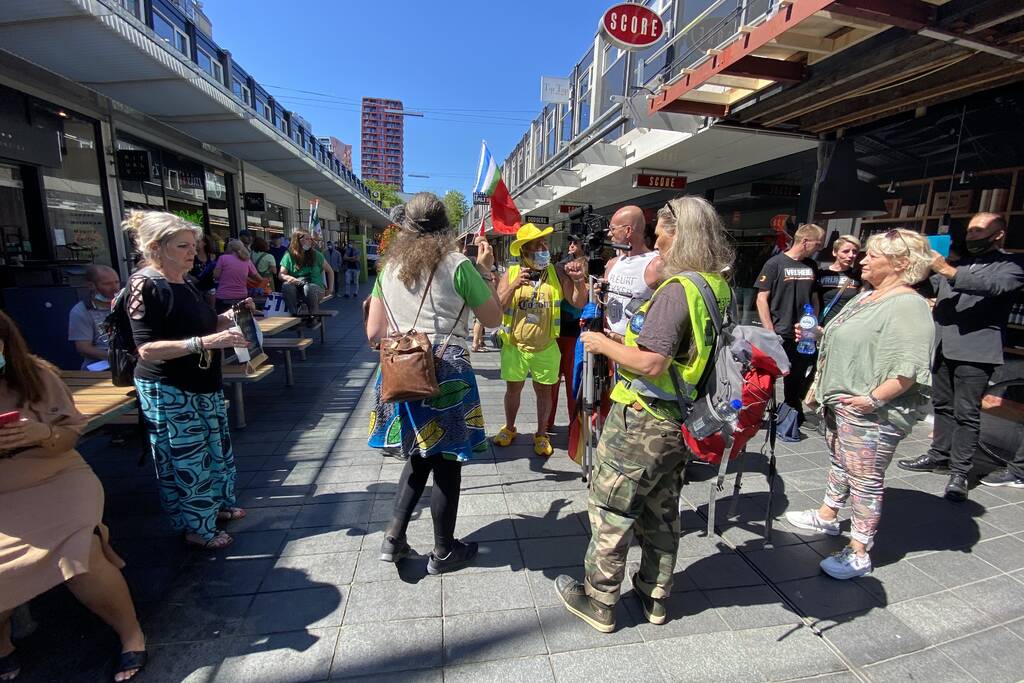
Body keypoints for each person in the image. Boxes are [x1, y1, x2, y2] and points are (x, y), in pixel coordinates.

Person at [554, 196, 734, 632]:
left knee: (611, 508)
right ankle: (655, 596)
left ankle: (599, 601)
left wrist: (601, 345)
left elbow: (652, 362)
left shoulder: (677, 290)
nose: (656, 240)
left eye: (662, 232)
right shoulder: (718, 285)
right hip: (679, 420)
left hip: (642, 417)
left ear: (682, 234)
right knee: (662, 511)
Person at [0, 311, 147, 682]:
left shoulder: (36, 375)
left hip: (57, 477)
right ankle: (2, 643)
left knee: (79, 550)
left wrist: (40, 433)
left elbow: (69, 437)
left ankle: (131, 632)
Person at [364, 192, 502, 574]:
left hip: (399, 370)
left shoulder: (387, 268)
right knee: (446, 460)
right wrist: (487, 272)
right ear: (446, 228)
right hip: (445, 367)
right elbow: (492, 320)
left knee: (418, 454)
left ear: (405, 228)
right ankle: (443, 551)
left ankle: (393, 539)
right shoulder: (458, 264)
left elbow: (374, 332)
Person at [786, 229, 935, 579]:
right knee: (842, 463)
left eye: (872, 255)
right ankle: (827, 516)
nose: (863, 259)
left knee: (865, 479)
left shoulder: (908, 304)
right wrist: (817, 334)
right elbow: (844, 334)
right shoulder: (867, 296)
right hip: (843, 403)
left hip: (872, 412)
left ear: (900, 263)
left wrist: (870, 400)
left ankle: (859, 550)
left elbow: (909, 368)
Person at [122, 211, 251, 550]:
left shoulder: (187, 282)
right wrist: (206, 342)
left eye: (194, 245)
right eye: (183, 246)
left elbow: (204, 325)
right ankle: (197, 527)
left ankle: (217, 508)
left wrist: (232, 315)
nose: (193, 252)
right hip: (169, 389)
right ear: (156, 247)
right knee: (187, 460)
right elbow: (146, 349)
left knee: (215, 450)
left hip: (203, 383)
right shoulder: (144, 284)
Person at [897, 213, 1024, 499]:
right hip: (943, 345)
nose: (971, 236)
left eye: (979, 231)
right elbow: (936, 291)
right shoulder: (960, 263)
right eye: (969, 231)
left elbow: (993, 288)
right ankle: (939, 455)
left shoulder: (1012, 265)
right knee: (942, 405)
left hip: (976, 351)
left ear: (998, 234)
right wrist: (922, 273)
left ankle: (960, 472)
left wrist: (945, 268)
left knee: (967, 413)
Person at [492, 224, 588, 456]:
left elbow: (578, 302)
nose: (544, 248)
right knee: (513, 389)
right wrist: (513, 287)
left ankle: (541, 433)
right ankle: (510, 427)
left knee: (544, 392)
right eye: (538, 245)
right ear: (524, 251)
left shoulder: (556, 272)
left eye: (545, 244)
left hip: (546, 346)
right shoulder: (512, 273)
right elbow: (497, 307)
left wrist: (577, 282)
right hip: (516, 345)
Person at [755, 222, 825, 427]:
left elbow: (814, 299)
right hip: (779, 331)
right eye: (818, 243)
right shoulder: (775, 263)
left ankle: (791, 414)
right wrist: (769, 331)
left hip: (802, 333)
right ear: (805, 241)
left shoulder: (811, 266)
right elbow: (761, 298)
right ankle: (758, 413)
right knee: (768, 377)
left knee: (796, 376)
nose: (819, 248)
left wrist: (812, 326)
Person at [603, 205, 662, 342]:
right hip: (608, 348)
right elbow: (605, 302)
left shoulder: (656, 265)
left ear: (628, 230)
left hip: (637, 349)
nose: (609, 234)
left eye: (612, 229)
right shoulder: (612, 263)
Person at [547, 236, 584, 435]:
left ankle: (574, 424)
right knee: (553, 380)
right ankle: (547, 422)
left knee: (573, 381)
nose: (571, 246)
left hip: (576, 331)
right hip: (558, 329)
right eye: (569, 242)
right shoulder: (559, 266)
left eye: (576, 243)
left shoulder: (591, 266)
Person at [69, 265, 120, 370]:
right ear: (91, 285)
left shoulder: (125, 304)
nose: (115, 288)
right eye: (107, 284)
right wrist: (117, 357)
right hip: (101, 366)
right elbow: (83, 348)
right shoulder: (81, 311)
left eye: (117, 282)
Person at [279, 230, 334, 319]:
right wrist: (289, 278)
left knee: (309, 288)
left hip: (315, 287)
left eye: (310, 239)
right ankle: (294, 315)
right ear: (297, 241)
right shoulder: (289, 255)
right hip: (297, 286)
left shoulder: (316, 254)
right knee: (286, 286)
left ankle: (313, 315)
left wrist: (330, 289)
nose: (310, 241)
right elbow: (281, 275)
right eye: (307, 239)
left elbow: (330, 271)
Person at [816, 234, 862, 327]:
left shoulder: (859, 276)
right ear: (834, 252)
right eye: (845, 251)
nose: (851, 255)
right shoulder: (821, 273)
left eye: (854, 252)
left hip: (845, 326)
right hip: (820, 325)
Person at [213, 239, 260, 313]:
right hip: (242, 297)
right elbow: (258, 278)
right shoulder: (247, 260)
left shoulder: (223, 258)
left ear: (229, 248)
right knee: (241, 322)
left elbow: (216, 275)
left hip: (223, 297)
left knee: (223, 322)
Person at [189, 234, 218, 306]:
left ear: (204, 243)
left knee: (211, 310)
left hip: (209, 288)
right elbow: (186, 272)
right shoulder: (192, 257)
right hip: (196, 288)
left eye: (198, 242)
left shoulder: (212, 256)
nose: (195, 244)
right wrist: (192, 278)